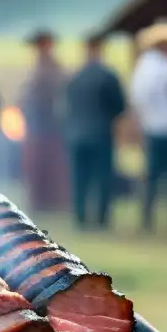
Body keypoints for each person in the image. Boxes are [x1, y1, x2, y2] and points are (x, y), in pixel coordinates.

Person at [64, 33, 127, 229]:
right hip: (100, 133)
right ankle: (101, 219)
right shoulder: (108, 75)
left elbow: (67, 105)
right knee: (102, 177)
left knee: (80, 178)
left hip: (76, 134)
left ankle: (81, 217)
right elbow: (119, 106)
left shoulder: (75, 76)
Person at [131, 19, 167, 232]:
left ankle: (153, 218)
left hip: (157, 128)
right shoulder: (157, 64)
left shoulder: (150, 64)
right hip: (164, 128)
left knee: (156, 177)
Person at [19, 29, 68, 212]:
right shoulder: (42, 67)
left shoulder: (53, 68)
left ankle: (50, 201)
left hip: (48, 125)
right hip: (37, 124)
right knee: (39, 165)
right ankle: (42, 201)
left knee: (49, 164)